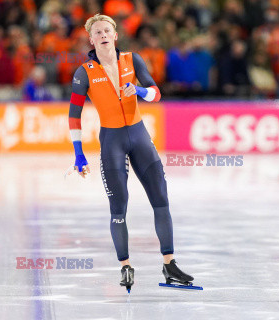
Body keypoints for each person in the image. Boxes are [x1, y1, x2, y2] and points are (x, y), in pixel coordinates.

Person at [67, 14, 194, 292]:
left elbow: (156, 94)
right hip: (111, 141)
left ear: (115, 35)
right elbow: (74, 117)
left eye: (106, 30)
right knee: (118, 209)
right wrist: (79, 154)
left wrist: (138, 89)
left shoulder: (133, 60)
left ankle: (170, 264)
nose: (102, 35)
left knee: (161, 200)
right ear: (91, 39)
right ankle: (125, 266)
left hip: (139, 136)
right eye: (97, 32)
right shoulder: (83, 72)